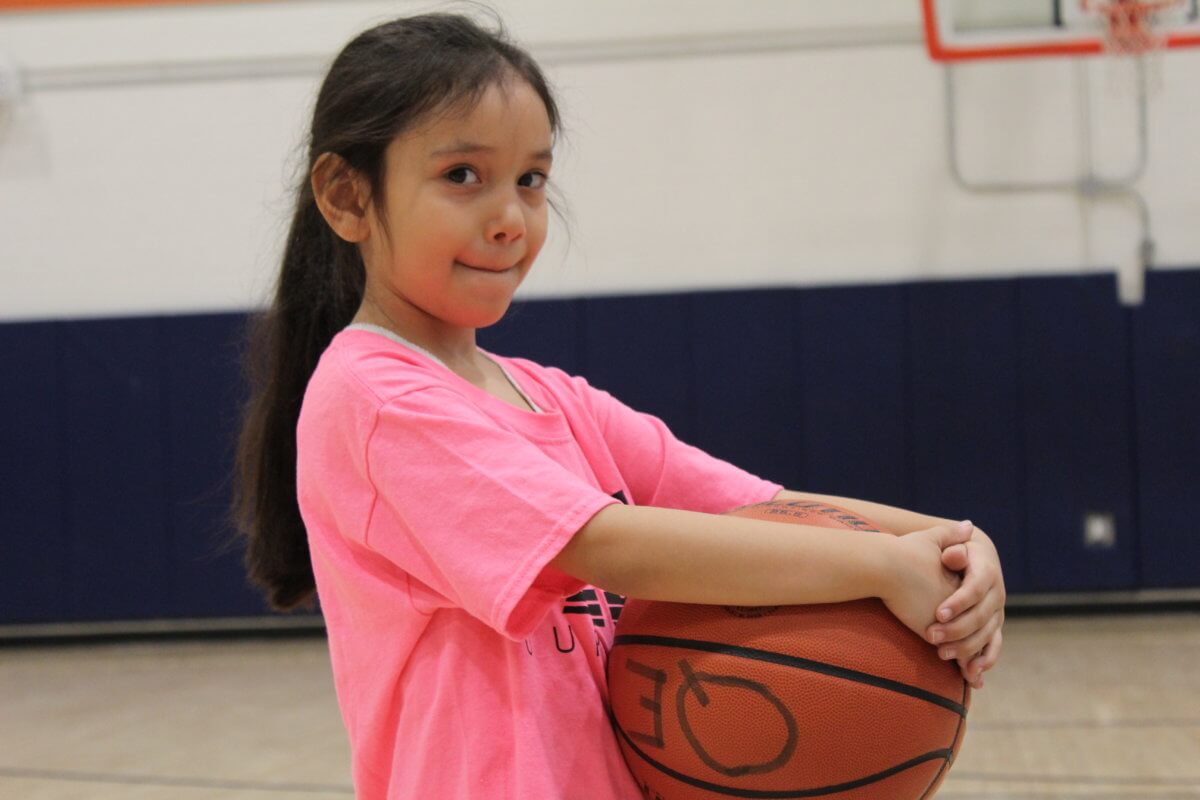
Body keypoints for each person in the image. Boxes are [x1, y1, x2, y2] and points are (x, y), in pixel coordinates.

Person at [233, 12, 1005, 799]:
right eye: (462, 175)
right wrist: (880, 564)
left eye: (530, 180)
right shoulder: (374, 397)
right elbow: (601, 543)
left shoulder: (553, 397)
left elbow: (764, 508)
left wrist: (950, 546)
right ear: (346, 195)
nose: (509, 219)